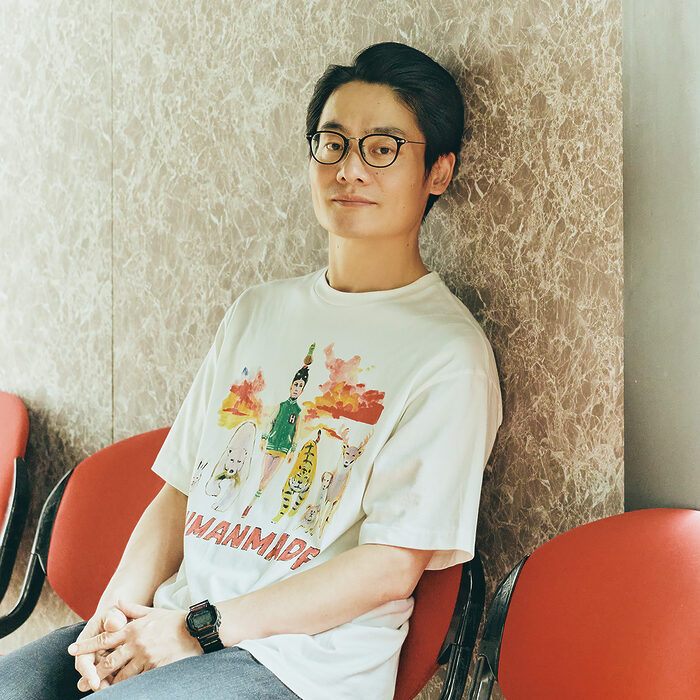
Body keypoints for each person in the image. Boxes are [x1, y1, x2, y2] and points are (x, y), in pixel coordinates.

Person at [0, 41, 502, 699]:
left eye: (382, 148)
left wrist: (197, 631)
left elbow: (388, 568)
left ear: (438, 171)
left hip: (297, 667)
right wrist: (112, 617)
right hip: (172, 627)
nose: (350, 169)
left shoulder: (449, 354)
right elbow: (179, 494)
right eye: (333, 144)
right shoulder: (257, 312)